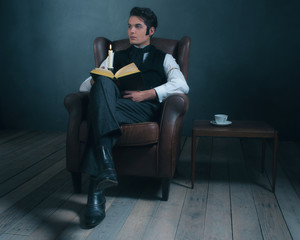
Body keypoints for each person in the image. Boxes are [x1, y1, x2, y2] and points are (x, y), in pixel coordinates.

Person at [79, 7, 189, 228]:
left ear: (151, 31)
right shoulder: (114, 56)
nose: (131, 31)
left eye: (138, 26)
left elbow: (182, 85)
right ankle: (101, 182)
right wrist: (100, 84)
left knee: (97, 115)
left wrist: (148, 93)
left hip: (142, 109)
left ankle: (96, 191)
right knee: (102, 83)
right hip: (114, 107)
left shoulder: (165, 58)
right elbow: (82, 86)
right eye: (129, 26)